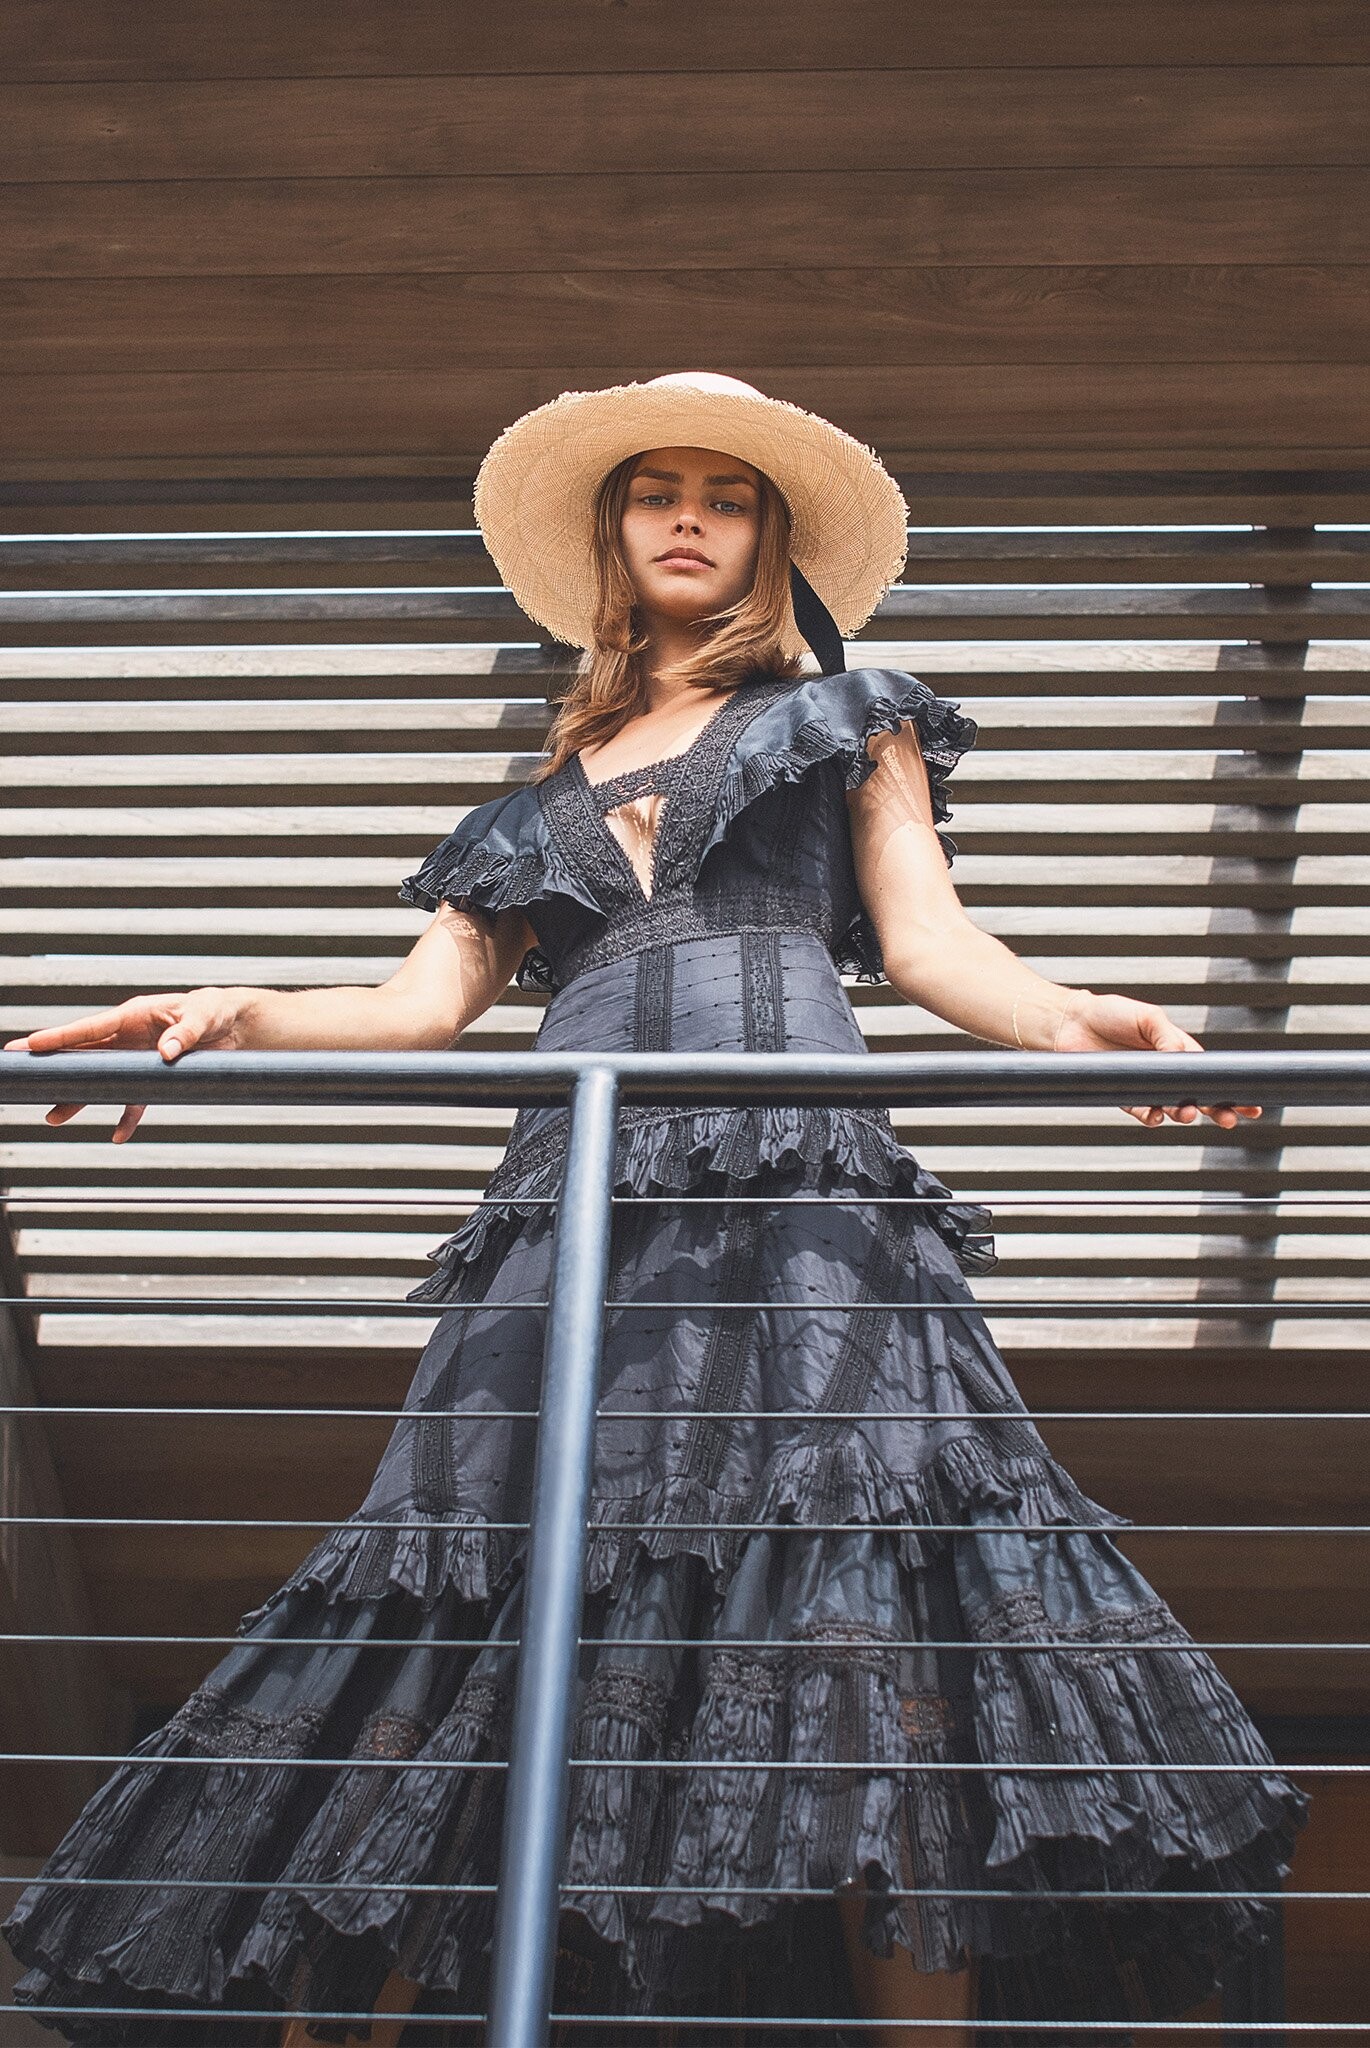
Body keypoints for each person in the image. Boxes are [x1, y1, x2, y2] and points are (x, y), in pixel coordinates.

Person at [3, 373, 1307, 2045]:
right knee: (479, 1578)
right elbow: (414, 1008)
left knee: (861, 1587)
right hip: (575, 1213)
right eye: (655, 490)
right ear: (614, 534)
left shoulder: (845, 716)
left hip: (798, 1197)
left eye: (728, 494)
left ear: (768, 542)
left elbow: (928, 943)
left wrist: (1076, 1021)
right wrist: (218, 1011)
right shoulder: (518, 810)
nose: (688, 515)